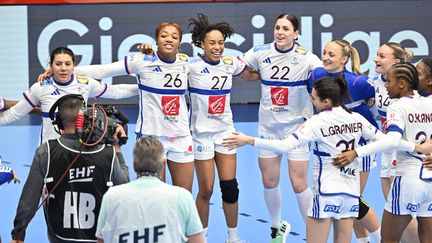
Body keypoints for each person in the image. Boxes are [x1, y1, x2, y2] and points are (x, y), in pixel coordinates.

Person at [223, 76, 385, 243]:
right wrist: (357, 152)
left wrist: (250, 140)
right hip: (350, 194)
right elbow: (385, 141)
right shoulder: (356, 119)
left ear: (326, 101)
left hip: (326, 194)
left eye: (314, 98)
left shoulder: (316, 123)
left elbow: (285, 146)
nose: (311, 101)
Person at [71, 22, 195, 192]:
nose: (169, 39)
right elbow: (103, 70)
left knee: (184, 194)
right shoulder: (141, 61)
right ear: (156, 40)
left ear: (180, 43)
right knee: (154, 195)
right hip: (151, 136)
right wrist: (69, 71)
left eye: (174, 37)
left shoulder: (187, 63)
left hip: (180, 136)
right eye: (164, 35)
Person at [240, 13, 322, 241]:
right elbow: (242, 71)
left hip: (297, 129)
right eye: (277, 27)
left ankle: (313, 232)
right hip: (268, 127)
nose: (280, 32)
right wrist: (254, 75)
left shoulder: (308, 59)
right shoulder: (260, 51)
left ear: (296, 34)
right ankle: (277, 228)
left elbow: (324, 81)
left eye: (286, 29)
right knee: (269, 181)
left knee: (298, 183)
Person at [333, 62, 432, 243]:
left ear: (402, 84)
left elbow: (392, 140)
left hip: (408, 180)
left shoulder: (397, 106)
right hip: (429, 180)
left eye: (390, 81)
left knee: (388, 239)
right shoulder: (428, 102)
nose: (385, 85)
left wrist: (357, 152)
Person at [10, 94, 130, 243]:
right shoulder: (107, 153)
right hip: (98, 236)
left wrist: (18, 233)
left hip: (60, 236)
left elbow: (28, 202)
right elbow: (124, 184)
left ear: (59, 122)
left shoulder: (46, 151)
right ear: (86, 119)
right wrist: (117, 148)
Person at [186, 14, 259, 243]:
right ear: (201, 44)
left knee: (230, 188)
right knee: (205, 190)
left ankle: (233, 238)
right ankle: (202, 239)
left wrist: (273, 72)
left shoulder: (230, 63)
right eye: (212, 43)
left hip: (226, 132)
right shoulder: (191, 66)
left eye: (221, 43)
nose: (217, 47)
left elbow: (249, 75)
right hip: (200, 135)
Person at [308, 39, 381, 242]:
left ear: (345, 59)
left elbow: (374, 107)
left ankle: (381, 238)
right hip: (332, 146)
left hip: (359, 146)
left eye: (331, 54)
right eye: (324, 53)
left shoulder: (359, 83)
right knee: (348, 204)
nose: (325, 57)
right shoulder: (316, 74)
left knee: (354, 201)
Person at [0, 47, 138, 145]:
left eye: (67, 64)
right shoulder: (40, 88)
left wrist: (141, 89)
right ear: (51, 66)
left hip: (78, 150)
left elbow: (115, 92)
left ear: (74, 66)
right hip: (49, 152)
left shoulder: (86, 83)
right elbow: (14, 114)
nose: (63, 68)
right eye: (58, 64)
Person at [96, 136, 204, 243]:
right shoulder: (183, 197)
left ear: (134, 166)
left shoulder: (111, 197)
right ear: (163, 164)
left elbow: (101, 240)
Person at [372, 42, 418, 243]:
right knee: (393, 204)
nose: (376, 59)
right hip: (387, 150)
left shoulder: (412, 88)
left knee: (401, 209)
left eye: (382, 56)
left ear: (396, 62)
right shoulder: (373, 82)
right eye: (377, 55)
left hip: (405, 152)